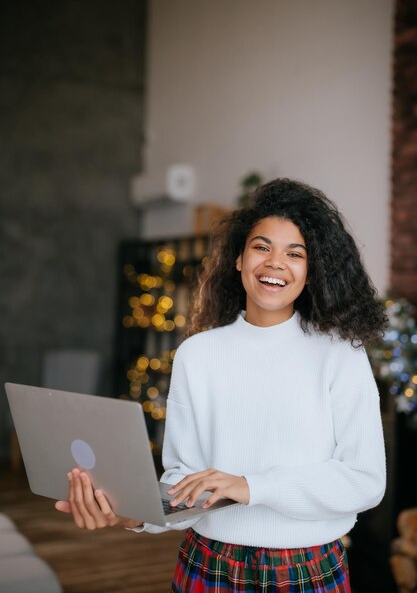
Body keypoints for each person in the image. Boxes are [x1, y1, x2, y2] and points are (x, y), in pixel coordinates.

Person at [56, 178, 387, 592]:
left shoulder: (340, 354)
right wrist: (132, 515)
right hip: (208, 562)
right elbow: (186, 480)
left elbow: (364, 481)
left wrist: (250, 486)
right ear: (239, 258)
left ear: (312, 270)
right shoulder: (198, 354)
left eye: (294, 253)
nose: (274, 263)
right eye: (261, 247)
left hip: (306, 568)